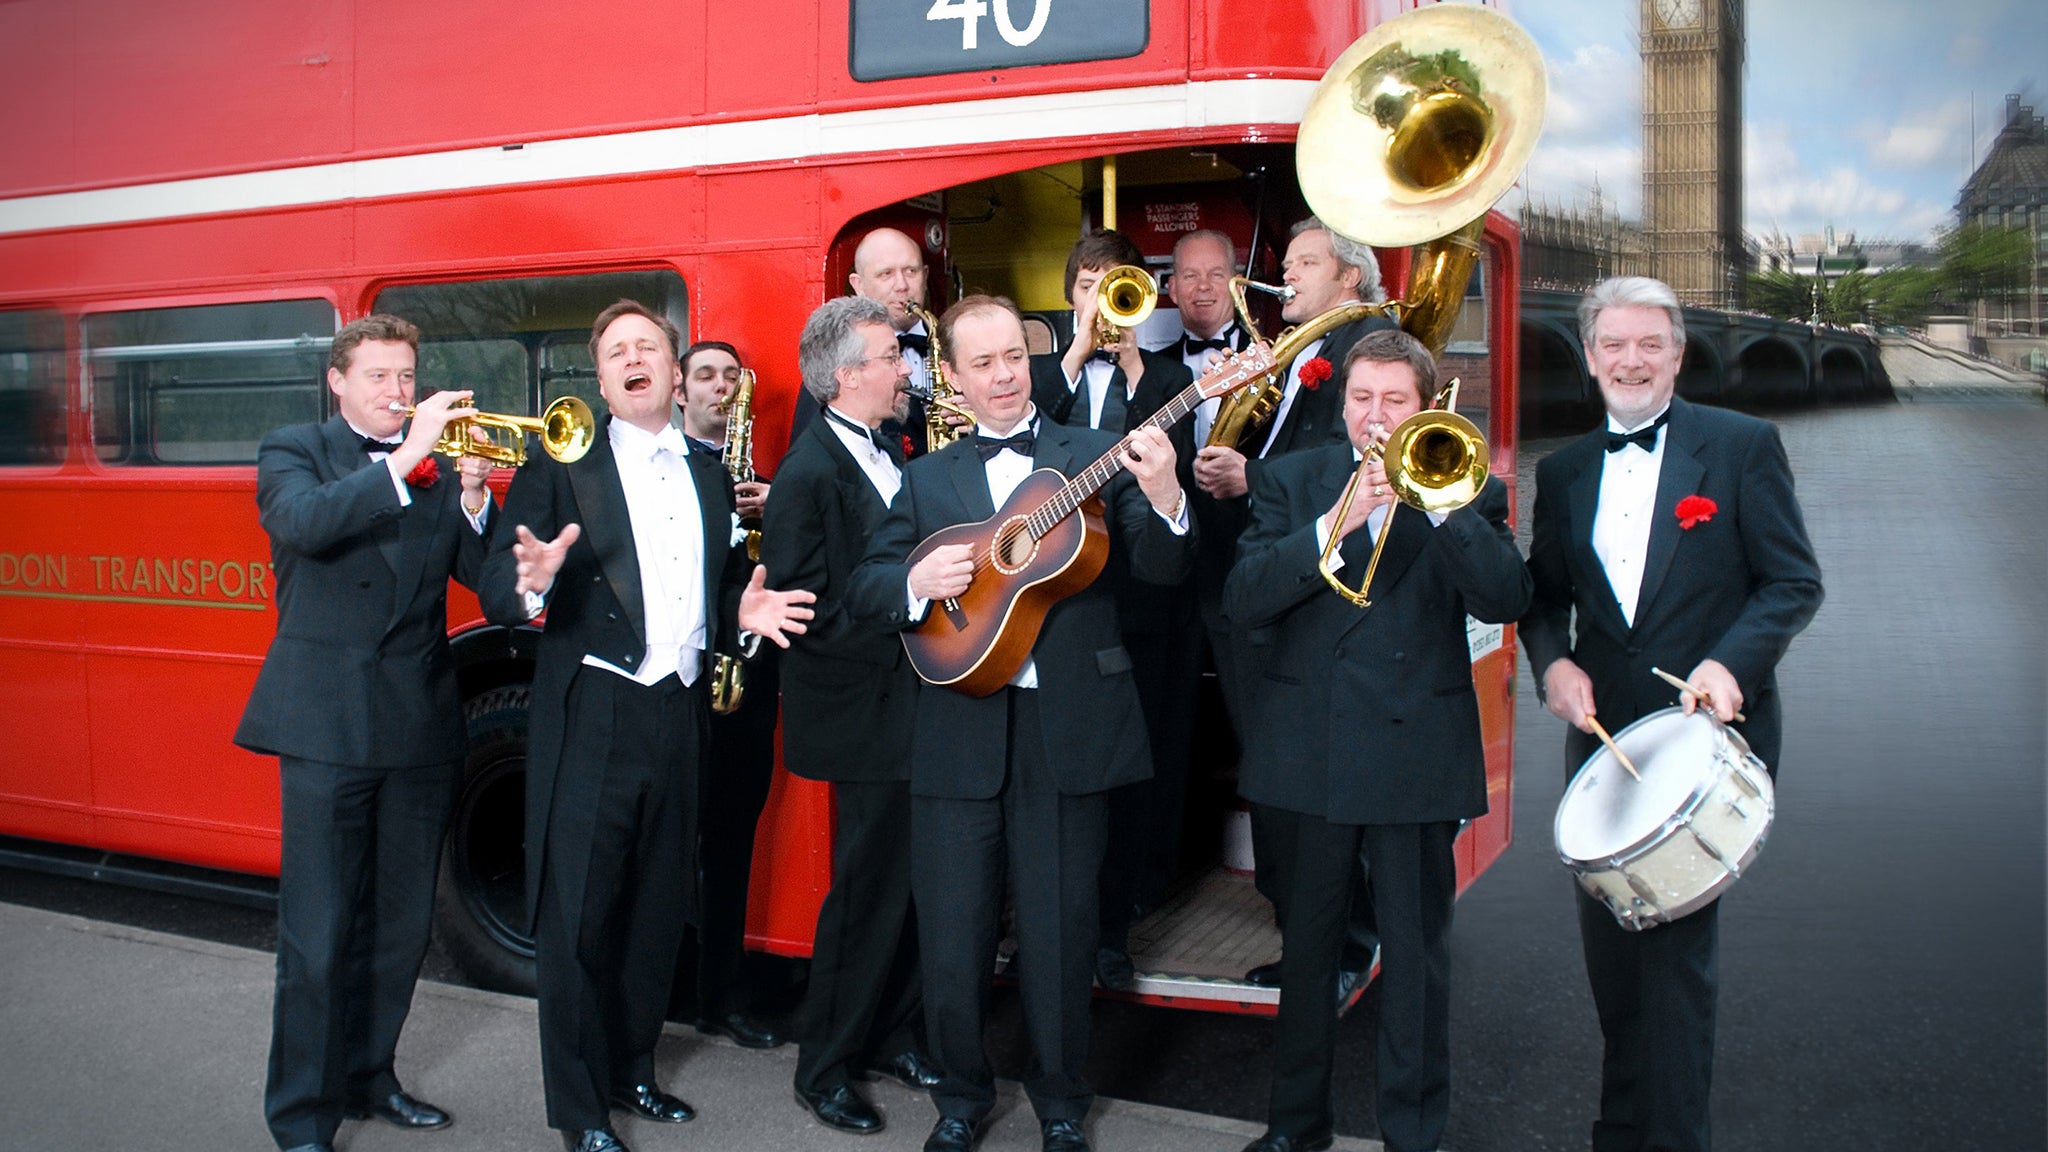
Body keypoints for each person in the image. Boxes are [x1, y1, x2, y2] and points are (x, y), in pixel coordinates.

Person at [846, 295, 1193, 1152]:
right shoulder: (927, 479)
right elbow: (865, 586)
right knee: (954, 933)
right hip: (957, 726)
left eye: (1014, 357)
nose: (1004, 377)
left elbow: (1161, 569)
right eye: (983, 364)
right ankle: (960, 1102)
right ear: (954, 379)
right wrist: (914, 583)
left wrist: (1167, 495)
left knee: (1062, 932)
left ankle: (1062, 1105)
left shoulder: (1094, 453)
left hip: (1067, 730)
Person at [478, 300, 814, 1152]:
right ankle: (581, 1111)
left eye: (649, 348)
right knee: (580, 919)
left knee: (659, 909)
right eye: (616, 352)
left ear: (674, 373)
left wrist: (743, 610)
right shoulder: (562, 460)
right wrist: (533, 581)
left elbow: (722, 583)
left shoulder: (706, 473)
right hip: (595, 711)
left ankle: (634, 1069)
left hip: (682, 710)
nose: (634, 359)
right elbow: (496, 585)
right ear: (601, 380)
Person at [1523, 276, 1822, 1152]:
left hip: (1703, 745)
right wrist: (1553, 664)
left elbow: (1792, 582)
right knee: (1615, 960)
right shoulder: (1565, 471)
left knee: (1674, 966)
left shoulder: (1742, 446)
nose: (1632, 360)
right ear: (1589, 356)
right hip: (1604, 747)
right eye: (1614, 344)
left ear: (1679, 355)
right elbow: (1543, 599)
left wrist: (1730, 664)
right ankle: (1622, 1131)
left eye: (1650, 344)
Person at [1224, 329, 1529, 1152]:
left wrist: (1443, 505)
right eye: (1362, 398)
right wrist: (1336, 522)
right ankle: (1295, 1128)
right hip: (1309, 749)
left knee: (1418, 962)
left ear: (1425, 406)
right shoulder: (1292, 479)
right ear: (1343, 402)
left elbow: (1506, 597)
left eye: (1395, 401)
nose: (1376, 416)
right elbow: (1244, 600)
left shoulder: (1467, 482)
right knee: (1308, 952)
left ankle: (1413, 1135)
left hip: (1414, 751)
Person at [235, 313, 496, 1152]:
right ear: (338, 382)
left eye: (407, 376)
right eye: (379, 375)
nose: (397, 390)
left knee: (399, 927)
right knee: (317, 935)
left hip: (417, 723)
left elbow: (486, 584)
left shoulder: (433, 467)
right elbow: (305, 525)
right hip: (325, 724)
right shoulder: (295, 450)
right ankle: (302, 1115)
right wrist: (408, 457)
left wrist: (475, 502)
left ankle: (370, 1076)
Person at [1194, 217, 1393, 994]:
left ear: (1350, 276)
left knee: (1311, 783)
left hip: (1306, 601)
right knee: (1277, 774)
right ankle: (1309, 938)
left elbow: (1361, 454)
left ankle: (1339, 948)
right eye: (1288, 262)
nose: (1287, 276)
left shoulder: (1365, 344)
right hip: (1264, 584)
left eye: (1305, 263)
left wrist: (1251, 478)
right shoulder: (1301, 344)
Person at [768, 296, 941, 1136]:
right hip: (861, 716)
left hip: (908, 705)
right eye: (889, 357)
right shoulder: (805, 474)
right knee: (865, 897)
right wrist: (910, 604)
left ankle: (892, 1035)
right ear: (845, 377)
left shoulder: (890, 444)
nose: (904, 369)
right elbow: (804, 612)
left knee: (910, 887)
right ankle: (824, 1067)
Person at [1029, 229, 1200, 990]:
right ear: (1071, 293)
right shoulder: (1037, 373)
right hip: (1056, 604)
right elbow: (1026, 447)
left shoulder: (1167, 376)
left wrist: (1131, 365)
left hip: (1141, 599)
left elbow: (1170, 467)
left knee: (1133, 770)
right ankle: (1048, 928)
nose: (1103, 299)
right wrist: (1074, 354)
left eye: (1117, 285)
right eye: (1089, 284)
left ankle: (1115, 925)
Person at [671, 339, 786, 1051]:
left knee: (732, 842)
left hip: (747, 684)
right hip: (682, 684)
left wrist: (775, 513)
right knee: (667, 844)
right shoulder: (664, 473)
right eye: (705, 376)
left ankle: (720, 994)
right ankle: (667, 986)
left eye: (730, 377)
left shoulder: (762, 483)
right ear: (680, 392)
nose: (719, 387)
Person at [794, 226, 936, 453]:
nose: (902, 285)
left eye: (911, 271)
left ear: (925, 276)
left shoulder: (953, 344)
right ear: (858, 285)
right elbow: (810, 453)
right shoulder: (835, 357)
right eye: (886, 274)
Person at [1154, 228, 1253, 448]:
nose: (1203, 286)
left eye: (1216, 274)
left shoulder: (1267, 358)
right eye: (1191, 276)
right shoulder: (1152, 370)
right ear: (1173, 289)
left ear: (1238, 287)